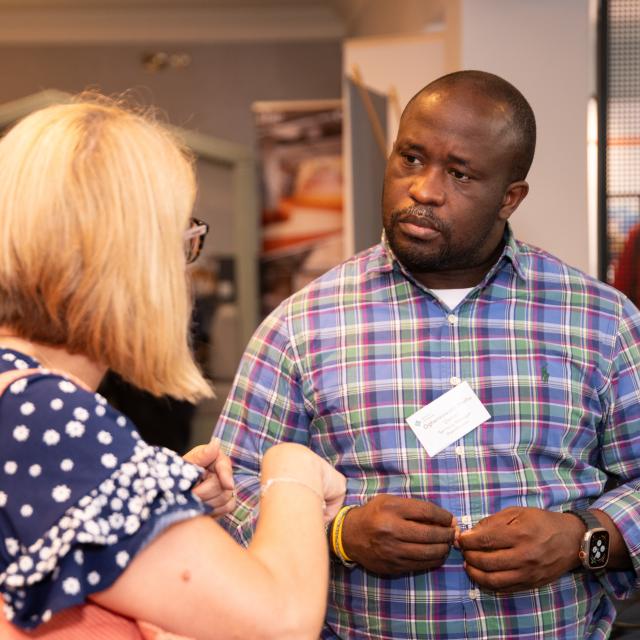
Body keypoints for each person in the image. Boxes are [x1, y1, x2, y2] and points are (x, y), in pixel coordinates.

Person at [214, 70, 640, 639]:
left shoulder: (601, 322)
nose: (424, 189)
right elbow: (228, 491)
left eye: (459, 174)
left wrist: (581, 538)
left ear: (509, 198)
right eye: (411, 159)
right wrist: (339, 534)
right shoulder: (301, 326)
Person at [0, 96, 346, 639]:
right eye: (184, 242)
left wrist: (155, 499)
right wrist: (294, 470)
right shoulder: (45, 413)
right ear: (133, 259)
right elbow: (278, 621)